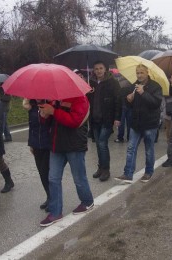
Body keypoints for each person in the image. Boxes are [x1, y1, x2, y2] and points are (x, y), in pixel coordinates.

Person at [39, 95, 94, 227]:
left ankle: (87, 201)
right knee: (53, 178)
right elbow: (48, 123)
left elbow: (75, 121)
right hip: (56, 145)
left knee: (79, 178)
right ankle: (56, 211)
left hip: (74, 145)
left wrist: (53, 111)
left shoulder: (80, 99)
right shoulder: (54, 98)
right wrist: (44, 115)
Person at [114, 64, 162, 183]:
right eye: (137, 73)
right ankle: (128, 173)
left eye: (141, 73)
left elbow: (156, 103)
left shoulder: (155, 86)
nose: (139, 75)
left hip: (150, 123)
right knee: (131, 148)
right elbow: (131, 105)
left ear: (147, 73)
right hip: (136, 123)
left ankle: (148, 172)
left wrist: (143, 93)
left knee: (149, 149)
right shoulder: (134, 86)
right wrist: (129, 100)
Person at [88, 61, 121, 182]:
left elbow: (118, 100)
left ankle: (106, 169)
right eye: (96, 69)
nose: (98, 71)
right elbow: (87, 100)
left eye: (101, 68)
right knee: (98, 144)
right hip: (95, 118)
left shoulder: (113, 83)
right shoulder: (91, 83)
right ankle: (100, 168)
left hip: (107, 118)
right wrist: (88, 93)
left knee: (102, 143)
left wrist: (117, 117)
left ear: (105, 69)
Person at [23, 99, 51, 211]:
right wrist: (31, 144)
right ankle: (49, 196)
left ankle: (53, 198)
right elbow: (32, 127)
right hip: (36, 145)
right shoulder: (32, 107)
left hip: (48, 145)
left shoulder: (49, 105)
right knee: (42, 173)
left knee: (47, 172)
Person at [114, 76, 132, 143]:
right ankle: (129, 138)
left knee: (121, 123)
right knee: (129, 123)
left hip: (122, 105)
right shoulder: (132, 83)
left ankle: (120, 137)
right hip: (130, 105)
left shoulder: (119, 83)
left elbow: (118, 95)